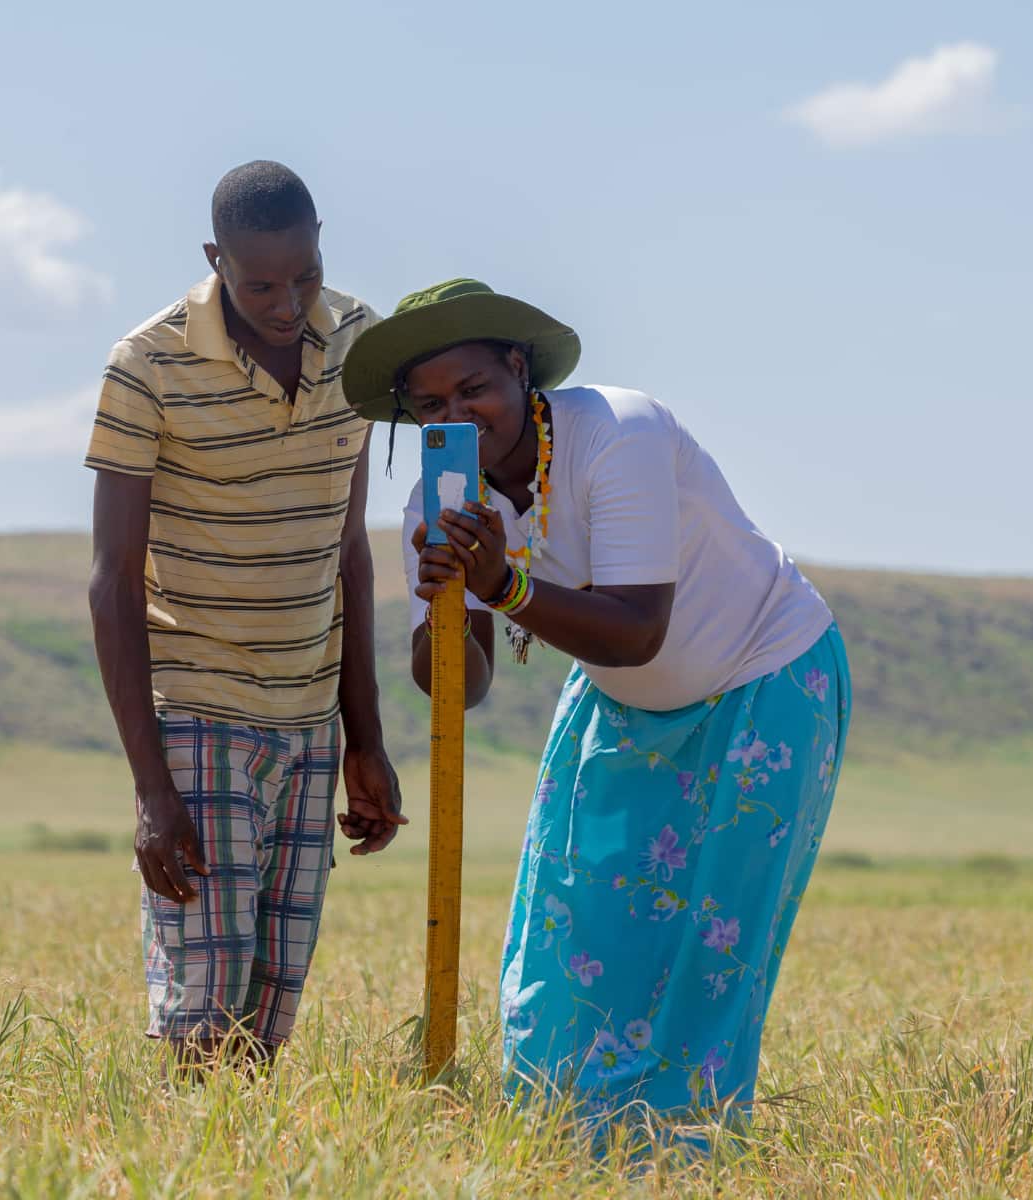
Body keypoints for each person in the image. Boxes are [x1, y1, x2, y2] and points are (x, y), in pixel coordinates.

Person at [343, 278, 851, 1135]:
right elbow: (460, 687)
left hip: (765, 683)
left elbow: (637, 630)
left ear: (518, 369)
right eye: (429, 405)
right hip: (621, 707)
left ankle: (680, 1154)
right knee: (574, 927)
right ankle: (561, 1141)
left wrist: (501, 585)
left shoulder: (620, 433)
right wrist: (442, 605)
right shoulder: (436, 506)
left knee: (708, 950)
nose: (458, 416)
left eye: (474, 389)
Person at [85, 161, 406, 1064]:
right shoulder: (146, 365)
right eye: (262, 283)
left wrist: (365, 740)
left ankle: (237, 1163)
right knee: (205, 1002)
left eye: (303, 276)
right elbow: (113, 579)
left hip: (308, 719)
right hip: (197, 709)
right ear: (213, 259)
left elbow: (347, 550)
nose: (287, 301)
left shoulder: (360, 344)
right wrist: (151, 789)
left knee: (269, 1006)